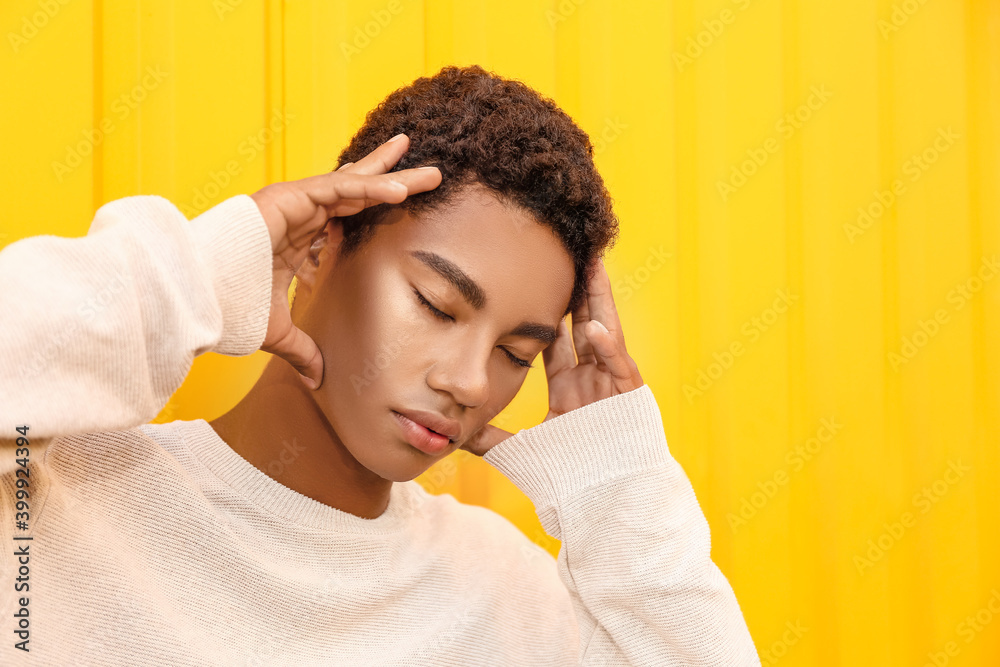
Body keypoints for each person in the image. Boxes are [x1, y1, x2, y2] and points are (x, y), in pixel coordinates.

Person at [0, 65, 759, 665]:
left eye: (514, 353)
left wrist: (618, 480)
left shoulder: (509, 598)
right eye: (436, 304)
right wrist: (203, 267)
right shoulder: (50, 493)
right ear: (322, 246)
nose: (469, 382)